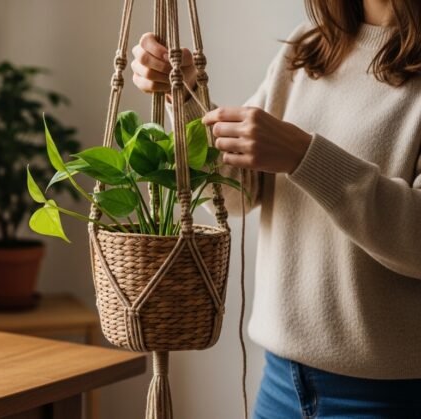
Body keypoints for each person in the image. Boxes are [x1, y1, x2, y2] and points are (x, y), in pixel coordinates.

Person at [131, 1, 421, 418]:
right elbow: (237, 193)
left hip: (386, 397)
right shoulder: (310, 46)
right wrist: (185, 95)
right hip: (281, 385)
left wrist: (305, 156)